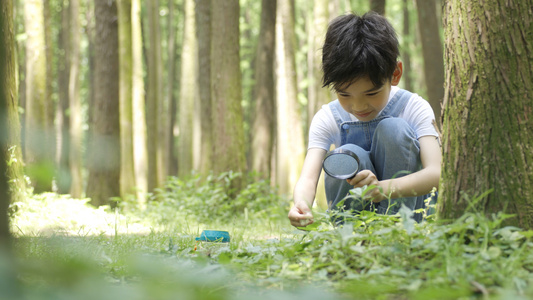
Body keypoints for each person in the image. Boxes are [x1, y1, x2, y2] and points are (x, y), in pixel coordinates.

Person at [288, 12, 441, 227]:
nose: (358, 106)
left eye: (371, 94)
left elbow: (437, 172)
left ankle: (398, 235)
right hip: (354, 227)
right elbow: (308, 177)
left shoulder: (413, 107)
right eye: (344, 94)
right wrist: (301, 204)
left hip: (409, 218)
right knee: (346, 154)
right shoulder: (327, 117)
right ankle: (351, 240)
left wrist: (382, 189)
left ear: (395, 74)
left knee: (394, 130)